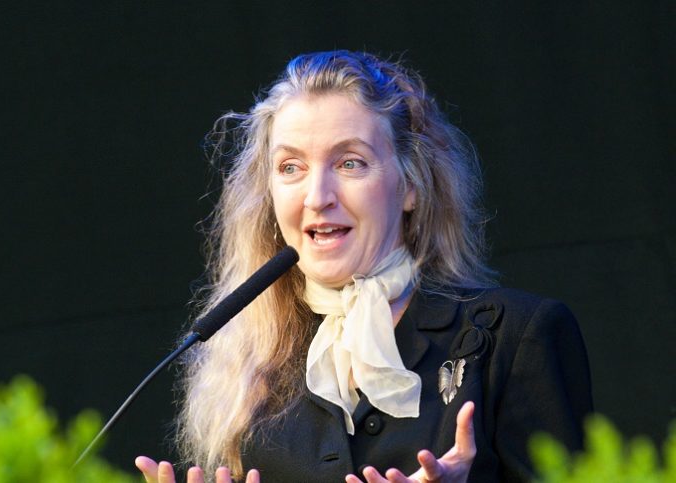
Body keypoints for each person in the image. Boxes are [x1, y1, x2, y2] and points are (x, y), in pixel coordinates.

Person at [135, 50, 592, 483]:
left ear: (411, 185)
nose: (317, 196)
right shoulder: (247, 371)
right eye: (290, 167)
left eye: (350, 163)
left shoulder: (517, 337)